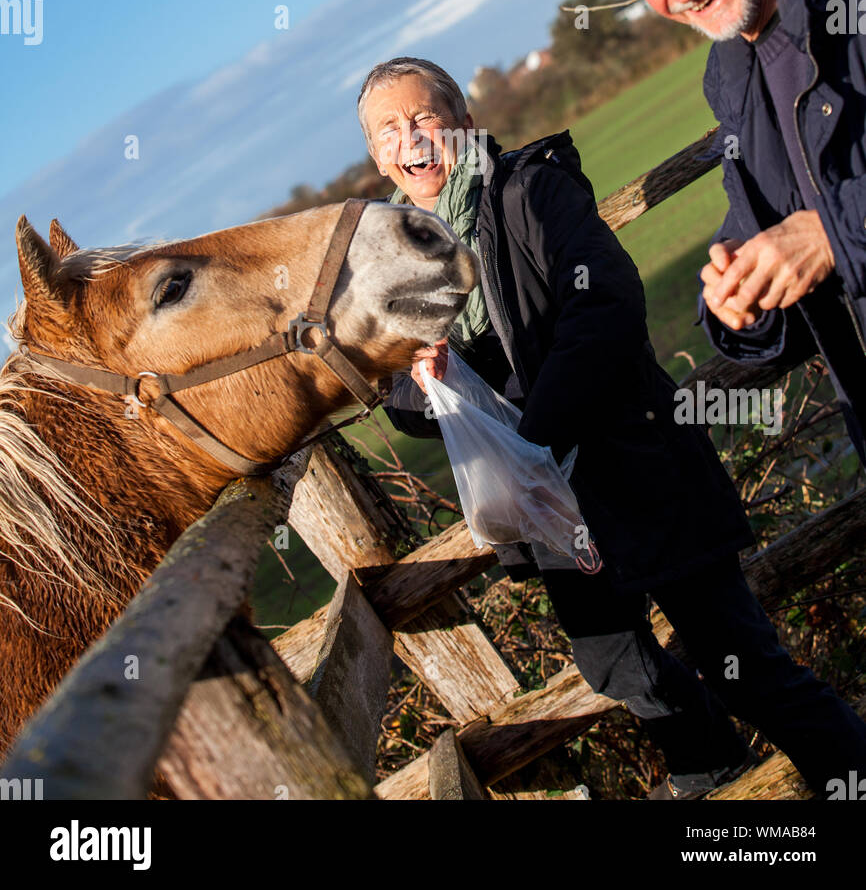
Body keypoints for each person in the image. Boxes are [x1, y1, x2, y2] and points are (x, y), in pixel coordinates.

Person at [356, 56, 866, 800]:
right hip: (547, 511)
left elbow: (608, 305)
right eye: (390, 131)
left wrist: (537, 431)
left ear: (462, 123)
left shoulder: (530, 190)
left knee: (746, 665)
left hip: (636, 466)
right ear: (377, 156)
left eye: (424, 119)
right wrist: (425, 381)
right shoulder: (395, 267)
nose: (412, 141)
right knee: (616, 665)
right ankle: (715, 774)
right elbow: (399, 394)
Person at [589, 0, 866, 466]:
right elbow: (770, 235)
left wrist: (830, 236)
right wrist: (738, 298)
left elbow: (822, 238)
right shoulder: (730, 75)